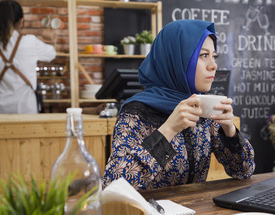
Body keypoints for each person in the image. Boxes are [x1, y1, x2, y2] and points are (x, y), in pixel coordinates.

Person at [103, 20, 255, 191]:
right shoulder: (136, 113)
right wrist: (168, 129)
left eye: (214, 56)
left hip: (197, 214)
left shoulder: (202, 105)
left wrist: (230, 131)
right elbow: (113, 185)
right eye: (203, 55)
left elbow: (244, 171)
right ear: (177, 58)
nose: (213, 66)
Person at [0, 0, 56, 113]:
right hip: (25, 109)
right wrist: (44, 39)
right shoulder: (30, 41)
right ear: (21, 21)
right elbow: (51, 54)